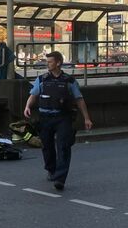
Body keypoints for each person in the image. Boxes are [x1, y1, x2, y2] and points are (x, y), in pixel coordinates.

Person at [24, 51, 93, 191]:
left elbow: (79, 99)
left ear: (58, 63)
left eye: (50, 62)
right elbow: (33, 95)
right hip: (45, 118)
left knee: (63, 147)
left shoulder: (69, 80)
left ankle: (60, 178)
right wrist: (27, 106)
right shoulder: (42, 79)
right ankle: (51, 169)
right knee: (47, 147)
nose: (47, 64)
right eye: (47, 61)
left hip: (63, 118)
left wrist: (87, 118)